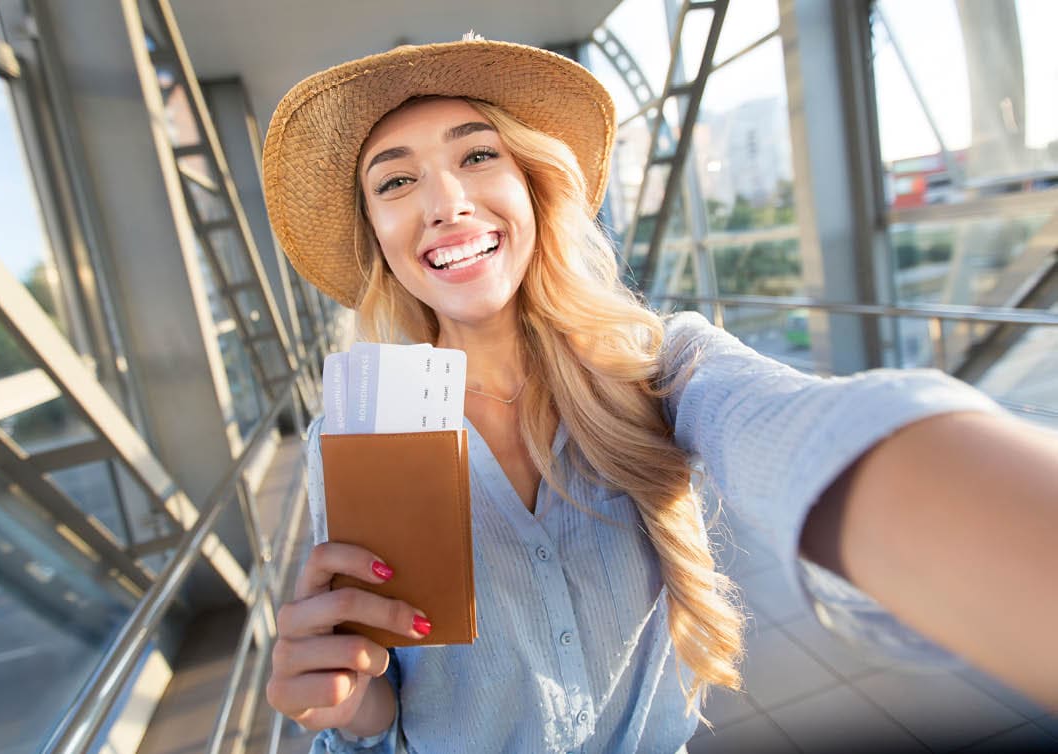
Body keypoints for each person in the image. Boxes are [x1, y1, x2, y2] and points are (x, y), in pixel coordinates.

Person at [259, 37, 1058, 753]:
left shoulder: (657, 366)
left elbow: (798, 426)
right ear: (377, 236)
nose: (445, 204)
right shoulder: (357, 434)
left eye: (477, 156)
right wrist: (351, 705)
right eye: (396, 180)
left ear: (534, 185)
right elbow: (384, 704)